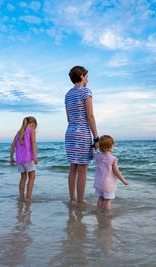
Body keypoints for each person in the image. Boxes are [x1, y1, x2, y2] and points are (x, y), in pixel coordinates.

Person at [65, 66, 99, 206]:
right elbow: (90, 116)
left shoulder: (67, 94)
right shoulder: (86, 91)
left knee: (73, 168)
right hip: (82, 133)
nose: (88, 79)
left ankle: (72, 199)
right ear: (81, 77)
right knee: (83, 170)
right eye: (86, 76)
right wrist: (96, 137)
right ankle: (80, 201)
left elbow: (68, 118)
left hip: (70, 133)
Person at [93, 135, 129, 211]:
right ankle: (107, 214)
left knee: (101, 198)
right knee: (108, 200)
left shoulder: (98, 156)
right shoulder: (112, 159)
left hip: (99, 183)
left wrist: (94, 148)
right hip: (108, 185)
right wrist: (123, 180)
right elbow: (117, 172)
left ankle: (99, 211)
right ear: (111, 146)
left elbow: (93, 153)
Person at [10, 116, 38, 201]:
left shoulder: (19, 132)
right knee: (32, 176)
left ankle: (21, 197)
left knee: (23, 177)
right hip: (28, 158)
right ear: (33, 123)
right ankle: (28, 198)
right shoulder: (31, 130)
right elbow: (33, 144)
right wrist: (35, 156)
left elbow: (13, 145)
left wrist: (11, 157)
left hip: (19, 159)